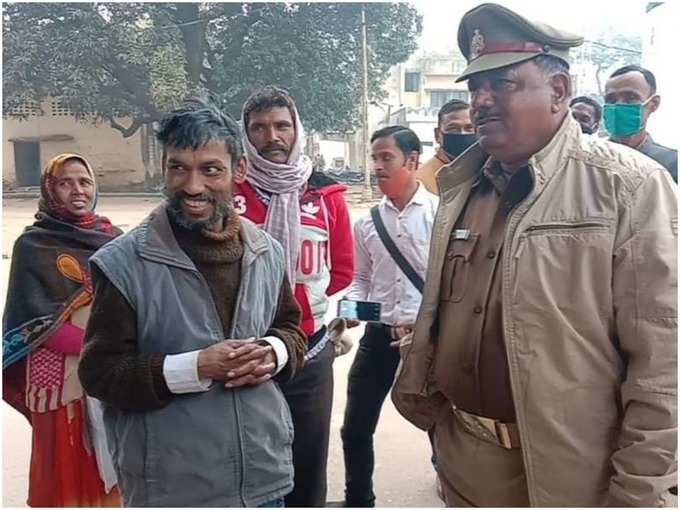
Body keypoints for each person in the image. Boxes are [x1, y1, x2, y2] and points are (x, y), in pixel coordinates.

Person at [392, 3, 677, 507]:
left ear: (559, 91)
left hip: (567, 478)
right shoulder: (461, 188)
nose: (481, 101)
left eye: (501, 83)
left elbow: (663, 363)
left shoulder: (628, 187)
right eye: (475, 87)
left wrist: (638, 492)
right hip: (462, 458)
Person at [78, 97, 307, 507]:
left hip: (263, 481)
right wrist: (195, 367)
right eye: (178, 168)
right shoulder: (124, 263)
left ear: (239, 170)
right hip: (172, 488)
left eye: (211, 170)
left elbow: (291, 329)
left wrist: (274, 352)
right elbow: (100, 374)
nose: (193, 186)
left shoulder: (266, 251)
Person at [233, 85, 354, 507]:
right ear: (246, 135)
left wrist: (302, 304)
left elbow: (342, 271)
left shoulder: (327, 196)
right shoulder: (228, 193)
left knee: (307, 459)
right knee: (247, 460)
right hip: (243, 351)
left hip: (310, 350)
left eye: (282, 126)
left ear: (297, 130)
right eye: (260, 127)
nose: (272, 137)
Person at [3, 153, 122, 507]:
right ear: (49, 189)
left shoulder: (114, 240)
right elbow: (35, 323)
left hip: (108, 372)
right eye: (65, 183)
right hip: (60, 383)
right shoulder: (33, 246)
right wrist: (103, 344)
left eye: (84, 182)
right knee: (67, 472)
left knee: (114, 467)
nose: (77, 190)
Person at [338, 126, 438, 507]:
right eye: (374, 158)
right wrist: (351, 307)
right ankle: (358, 499)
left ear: (411, 161)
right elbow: (361, 278)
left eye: (386, 158)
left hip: (426, 342)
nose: (377, 166)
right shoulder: (367, 222)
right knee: (355, 428)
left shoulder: (440, 215)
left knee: (441, 427)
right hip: (379, 338)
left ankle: (456, 488)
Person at [605, 65, 677, 181]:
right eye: (611, 100)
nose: (618, 105)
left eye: (631, 98)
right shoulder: (590, 159)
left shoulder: (672, 162)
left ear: (653, 104)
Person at [415, 99, 475, 194]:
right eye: (453, 129)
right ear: (437, 135)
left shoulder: (488, 171)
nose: (462, 133)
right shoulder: (420, 180)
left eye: (469, 128)